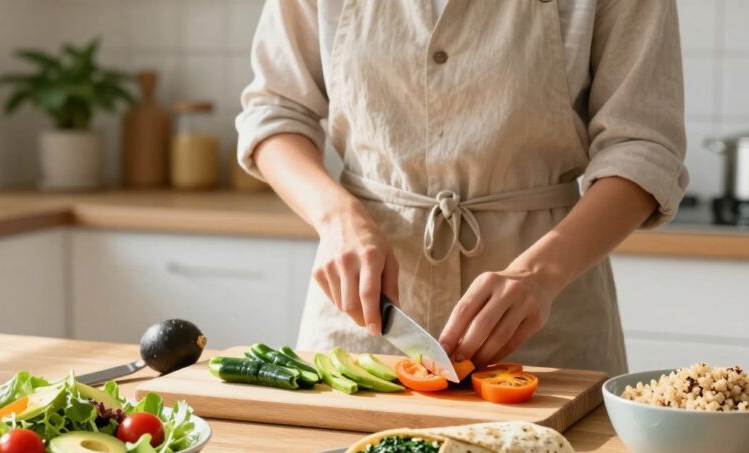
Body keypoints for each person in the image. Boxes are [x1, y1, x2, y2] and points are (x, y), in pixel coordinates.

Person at [236, 0, 688, 374]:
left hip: (546, 335)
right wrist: (338, 219)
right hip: (363, 331)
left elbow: (641, 146)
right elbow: (275, 113)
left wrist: (540, 275)